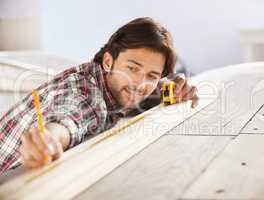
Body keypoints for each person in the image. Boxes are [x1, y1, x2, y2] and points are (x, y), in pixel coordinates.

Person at [0, 17, 198, 173]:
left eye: (152, 75)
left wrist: (173, 89)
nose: (139, 83)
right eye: (132, 68)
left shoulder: (108, 81)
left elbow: (146, 88)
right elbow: (70, 116)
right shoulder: (86, 94)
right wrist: (49, 140)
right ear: (108, 62)